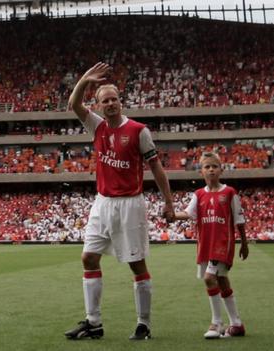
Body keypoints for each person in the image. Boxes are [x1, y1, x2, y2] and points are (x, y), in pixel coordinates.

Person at [64, 62, 175, 340]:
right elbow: (73, 103)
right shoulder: (97, 127)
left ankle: (143, 324)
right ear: (99, 106)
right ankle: (93, 323)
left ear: (120, 102)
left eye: (114, 99)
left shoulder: (138, 131)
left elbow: (157, 168)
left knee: (136, 265)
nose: (110, 103)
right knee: (88, 257)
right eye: (105, 101)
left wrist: (169, 202)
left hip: (130, 204)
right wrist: (85, 79)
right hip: (102, 204)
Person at [173, 152, 249, 339]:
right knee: (222, 281)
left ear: (221, 170)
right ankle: (237, 324)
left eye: (214, 166)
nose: (211, 169)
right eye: (207, 167)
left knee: (209, 278)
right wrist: (171, 215)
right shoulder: (198, 194)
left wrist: (244, 244)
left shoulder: (229, 192)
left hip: (222, 243)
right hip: (205, 244)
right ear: (201, 172)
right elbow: (188, 213)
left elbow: (239, 220)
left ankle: (216, 323)